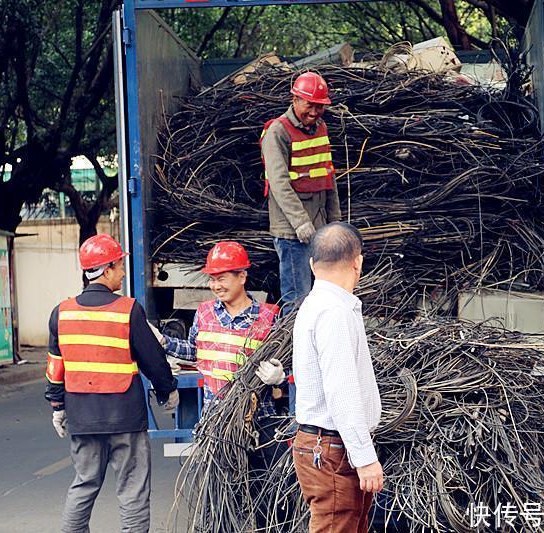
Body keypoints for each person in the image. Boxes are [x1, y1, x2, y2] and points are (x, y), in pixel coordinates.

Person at [45, 234, 179, 533]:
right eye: (119, 266)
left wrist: (57, 405)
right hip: (125, 418)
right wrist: (167, 390)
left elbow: (55, 366)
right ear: (106, 270)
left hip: (82, 416)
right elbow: (152, 359)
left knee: (84, 484)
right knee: (132, 488)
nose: (121, 272)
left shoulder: (61, 312)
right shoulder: (128, 310)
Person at [150, 242, 287, 467]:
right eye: (212, 279)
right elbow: (196, 352)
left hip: (261, 421)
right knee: (221, 495)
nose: (215, 285)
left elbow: (288, 363)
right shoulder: (204, 313)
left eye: (221, 278)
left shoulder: (269, 317)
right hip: (217, 421)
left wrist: (281, 376)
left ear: (242, 277)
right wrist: (164, 342)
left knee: (264, 492)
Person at [291, 222, 382, 532]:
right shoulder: (334, 312)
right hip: (332, 449)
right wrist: (364, 457)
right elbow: (341, 391)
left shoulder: (317, 305)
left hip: (325, 447)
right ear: (358, 262)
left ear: (312, 264)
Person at [260, 71, 342, 310]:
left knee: (323, 297)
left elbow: (328, 176)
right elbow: (279, 183)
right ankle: (291, 347)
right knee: (298, 300)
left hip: (320, 227)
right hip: (292, 233)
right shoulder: (277, 132)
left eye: (320, 106)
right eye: (310, 105)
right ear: (294, 99)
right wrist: (300, 223)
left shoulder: (320, 128)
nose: (314, 112)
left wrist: (334, 221)